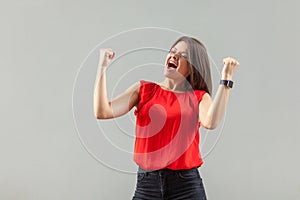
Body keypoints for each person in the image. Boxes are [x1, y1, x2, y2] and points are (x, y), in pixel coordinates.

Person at [94, 36, 239, 200]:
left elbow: (211, 122)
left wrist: (226, 79)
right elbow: (102, 111)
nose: (174, 56)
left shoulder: (198, 97)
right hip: (147, 185)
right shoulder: (144, 90)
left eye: (183, 56)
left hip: (186, 188)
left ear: (193, 67)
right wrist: (102, 66)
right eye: (172, 51)